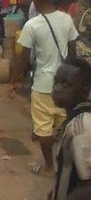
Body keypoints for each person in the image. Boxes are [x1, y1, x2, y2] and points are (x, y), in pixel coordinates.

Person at [11, 0, 79, 175]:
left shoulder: (32, 25)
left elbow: (22, 58)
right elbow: (73, 51)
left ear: (36, 0)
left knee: (43, 129)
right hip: (64, 85)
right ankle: (69, 165)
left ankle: (49, 166)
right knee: (65, 125)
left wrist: (14, 81)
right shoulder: (66, 19)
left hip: (42, 86)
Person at [50, 58, 91, 200]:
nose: (56, 88)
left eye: (65, 84)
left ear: (84, 92)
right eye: (56, 81)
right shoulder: (71, 120)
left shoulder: (81, 126)